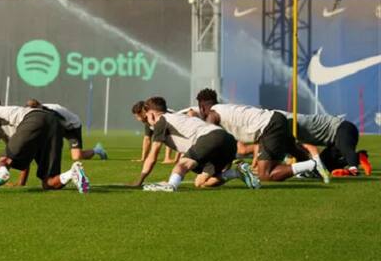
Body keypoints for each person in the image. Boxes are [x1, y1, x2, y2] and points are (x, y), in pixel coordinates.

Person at [195, 89, 329, 184]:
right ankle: (315, 169)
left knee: (265, 174)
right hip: (276, 118)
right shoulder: (224, 108)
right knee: (294, 150)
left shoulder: (212, 115)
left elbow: (212, 141)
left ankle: (312, 165)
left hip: (268, 127)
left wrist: (208, 168)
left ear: (201, 107)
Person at [132, 96, 258, 192]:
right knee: (202, 182)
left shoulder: (162, 121)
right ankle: (237, 173)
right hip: (228, 141)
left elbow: (153, 155)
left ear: (152, 113)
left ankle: (171, 185)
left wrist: (140, 180)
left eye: (147, 115)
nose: (146, 119)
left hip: (211, 138)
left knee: (182, 165)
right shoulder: (175, 117)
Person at [0, 94, 89, 194]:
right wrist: (21, 183)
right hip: (55, 123)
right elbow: (26, 155)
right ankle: (72, 173)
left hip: (33, 119)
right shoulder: (10, 117)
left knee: (3, 161)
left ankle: (1, 175)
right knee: (49, 182)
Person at [283, 112, 368, 177]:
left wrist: (316, 162)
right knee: (325, 167)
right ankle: (358, 157)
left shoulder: (292, 126)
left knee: (345, 149)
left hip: (343, 128)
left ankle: (353, 169)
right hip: (334, 140)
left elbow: (312, 149)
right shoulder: (288, 126)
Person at [26, 99, 107, 162]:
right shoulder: (34, 112)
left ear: (39, 107)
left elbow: (59, 125)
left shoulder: (51, 112)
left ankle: (97, 150)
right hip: (59, 126)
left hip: (72, 127)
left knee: (77, 157)